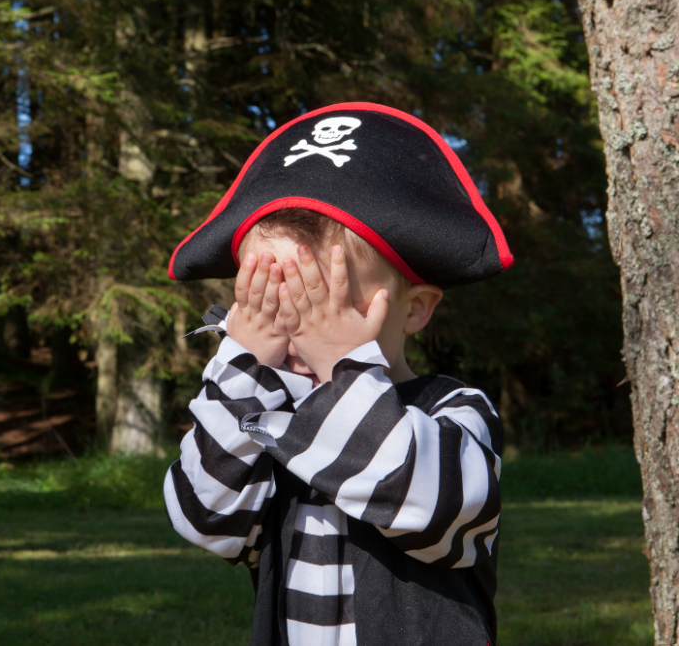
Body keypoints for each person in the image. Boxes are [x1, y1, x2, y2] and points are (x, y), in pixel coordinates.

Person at [163, 102, 513, 646]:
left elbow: (436, 510)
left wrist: (344, 365)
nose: (299, 331)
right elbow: (205, 518)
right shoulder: (266, 421)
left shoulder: (455, 412)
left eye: (326, 308)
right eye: (270, 305)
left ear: (415, 308)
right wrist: (243, 363)